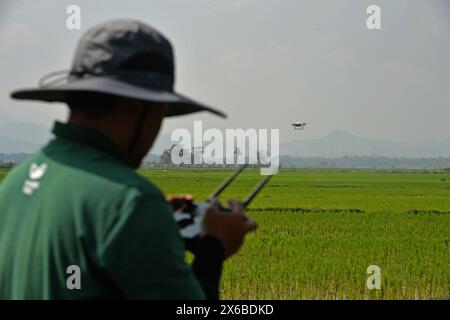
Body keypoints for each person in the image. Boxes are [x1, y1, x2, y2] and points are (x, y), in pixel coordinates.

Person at [0, 19, 257, 299]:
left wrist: (150, 226)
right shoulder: (132, 203)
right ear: (138, 108)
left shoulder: (17, 181)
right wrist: (213, 249)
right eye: (161, 115)